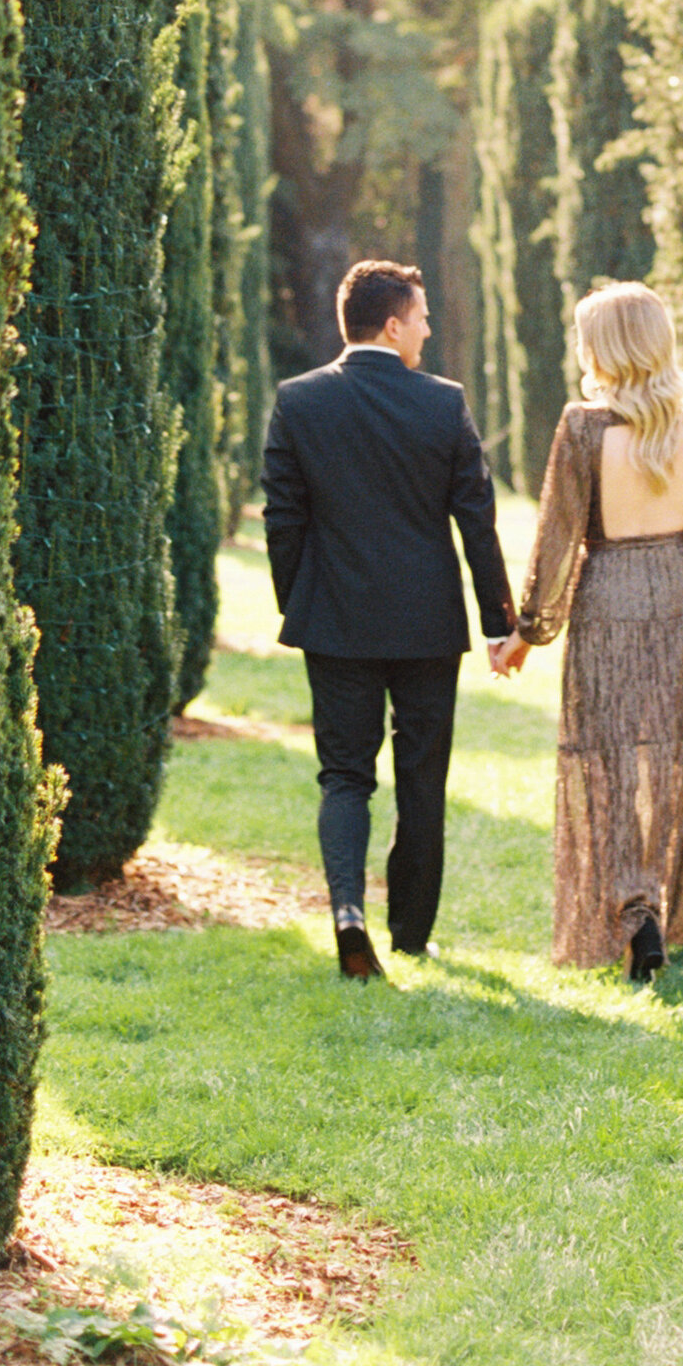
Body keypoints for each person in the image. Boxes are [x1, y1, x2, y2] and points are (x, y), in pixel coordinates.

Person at [260, 260, 514, 980]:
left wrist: (300, 601)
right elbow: (477, 520)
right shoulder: (443, 403)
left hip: (334, 621)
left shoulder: (299, 401)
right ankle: (408, 934)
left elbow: (284, 517)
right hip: (427, 625)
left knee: (344, 775)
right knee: (422, 777)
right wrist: (500, 621)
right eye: (423, 318)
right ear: (394, 324)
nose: (429, 331)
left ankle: (347, 913)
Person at [491, 281, 683, 979]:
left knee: (603, 760)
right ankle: (654, 906)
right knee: (668, 759)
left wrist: (528, 632)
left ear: (605, 348)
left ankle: (633, 911)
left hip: (608, 598)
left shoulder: (582, 427)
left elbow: (557, 541)